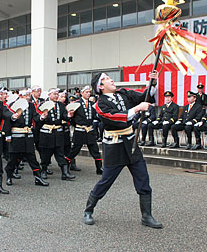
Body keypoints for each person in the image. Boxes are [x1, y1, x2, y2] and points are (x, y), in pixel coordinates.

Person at [83, 72, 162, 229]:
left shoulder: (124, 93)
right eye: (105, 79)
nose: (111, 80)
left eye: (109, 77)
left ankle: (146, 216)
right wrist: (138, 109)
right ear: (100, 87)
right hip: (114, 147)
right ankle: (88, 210)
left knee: (143, 178)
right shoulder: (100, 104)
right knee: (106, 180)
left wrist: (152, 84)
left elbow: (144, 97)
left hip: (131, 144)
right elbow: (115, 117)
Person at [4, 88, 49, 187]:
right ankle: (9, 176)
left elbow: (36, 117)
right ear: (20, 96)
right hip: (16, 135)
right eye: (25, 95)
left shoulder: (32, 105)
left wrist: (42, 117)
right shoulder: (11, 106)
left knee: (32, 157)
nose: (27, 97)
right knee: (13, 158)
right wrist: (8, 135)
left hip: (28, 134)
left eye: (28, 95)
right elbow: (7, 121)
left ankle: (38, 177)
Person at [39, 88, 75, 180]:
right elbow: (37, 119)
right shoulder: (42, 105)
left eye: (57, 94)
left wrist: (69, 116)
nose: (56, 96)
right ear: (49, 95)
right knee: (46, 153)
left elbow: (64, 116)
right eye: (54, 94)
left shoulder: (61, 105)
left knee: (60, 152)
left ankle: (65, 172)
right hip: (47, 132)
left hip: (58, 132)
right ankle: (44, 170)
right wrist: (42, 117)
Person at [66, 85, 103, 174]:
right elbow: (71, 118)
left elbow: (95, 116)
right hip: (80, 129)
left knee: (95, 149)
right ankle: (65, 166)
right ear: (82, 93)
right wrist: (75, 122)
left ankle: (99, 168)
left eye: (89, 92)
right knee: (75, 149)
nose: (88, 94)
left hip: (89, 130)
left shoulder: (91, 104)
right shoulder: (76, 104)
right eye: (86, 92)